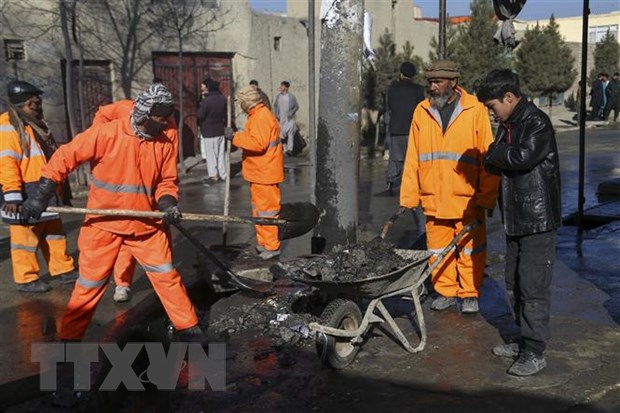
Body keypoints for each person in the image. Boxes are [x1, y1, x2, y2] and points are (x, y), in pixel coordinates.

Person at [22, 83, 202, 342]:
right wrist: (40, 195)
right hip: (104, 223)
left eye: (168, 119)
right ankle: (69, 341)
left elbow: (167, 181)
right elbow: (65, 156)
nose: (166, 125)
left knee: (167, 277)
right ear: (143, 113)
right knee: (89, 286)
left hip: (146, 225)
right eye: (161, 119)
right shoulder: (106, 134)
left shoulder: (163, 143)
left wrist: (167, 203)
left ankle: (189, 329)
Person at [477, 69, 561, 376]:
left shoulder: (536, 122)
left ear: (509, 97)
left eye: (492, 106)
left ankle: (535, 351)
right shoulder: (508, 124)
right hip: (515, 217)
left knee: (532, 286)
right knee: (514, 283)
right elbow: (494, 158)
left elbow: (520, 158)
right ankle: (521, 340)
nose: (491, 112)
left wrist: (497, 154)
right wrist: (497, 154)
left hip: (537, 219)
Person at [400, 60, 499, 314]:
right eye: (430, 82)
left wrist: (487, 196)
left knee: (470, 249)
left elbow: (488, 154)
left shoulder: (475, 109)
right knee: (438, 249)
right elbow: (413, 156)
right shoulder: (421, 111)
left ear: (453, 83)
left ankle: (469, 293)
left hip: (467, 199)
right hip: (433, 198)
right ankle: (445, 290)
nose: (432, 87)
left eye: (438, 82)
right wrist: (409, 195)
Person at [91, 99, 177, 303]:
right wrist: (103, 145)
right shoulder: (121, 109)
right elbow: (101, 118)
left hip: (156, 183)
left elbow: (170, 157)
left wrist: (167, 198)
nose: (164, 120)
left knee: (160, 236)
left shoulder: (168, 121)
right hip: (126, 184)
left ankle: (163, 284)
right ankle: (122, 283)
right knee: (126, 238)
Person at [0, 80, 78, 293]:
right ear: (24, 104)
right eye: (34, 102)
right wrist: (13, 196)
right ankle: (26, 278)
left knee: (54, 232)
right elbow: (6, 163)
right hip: (24, 192)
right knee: (25, 237)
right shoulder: (8, 127)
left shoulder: (35, 123)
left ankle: (63, 270)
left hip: (44, 189)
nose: (38, 105)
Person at [225, 86, 284, 260]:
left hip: (265, 173)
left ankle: (272, 247)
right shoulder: (258, 116)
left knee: (268, 212)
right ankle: (264, 243)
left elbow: (258, 143)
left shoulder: (261, 117)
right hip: (261, 173)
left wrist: (235, 136)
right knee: (259, 211)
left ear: (246, 102)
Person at [385, 61, 425, 195]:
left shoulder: (393, 88)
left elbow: (388, 106)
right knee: (413, 158)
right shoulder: (418, 89)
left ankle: (391, 182)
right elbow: (422, 109)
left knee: (395, 158)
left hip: (396, 129)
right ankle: (414, 185)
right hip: (413, 130)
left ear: (401, 74)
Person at [197, 78, 228, 184]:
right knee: (221, 154)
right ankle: (223, 174)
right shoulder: (222, 98)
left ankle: (213, 175)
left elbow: (200, 114)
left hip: (208, 130)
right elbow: (225, 113)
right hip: (219, 129)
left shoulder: (206, 101)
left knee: (211, 155)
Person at [273, 81, 299, 156]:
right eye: (280, 86)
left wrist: (291, 113)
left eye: (282, 86)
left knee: (290, 133)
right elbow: (275, 106)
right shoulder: (278, 97)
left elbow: (296, 106)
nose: (280, 88)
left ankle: (290, 149)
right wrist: (276, 114)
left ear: (286, 88)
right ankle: (285, 149)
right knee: (281, 133)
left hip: (289, 118)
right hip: (280, 118)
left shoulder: (291, 97)